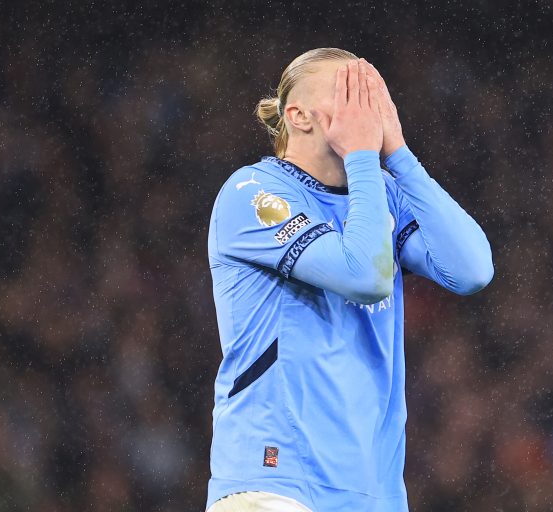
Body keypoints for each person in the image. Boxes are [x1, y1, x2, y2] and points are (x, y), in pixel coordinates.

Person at [206, 47, 494, 512]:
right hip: (277, 480)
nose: (365, 110)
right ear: (298, 116)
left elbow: (472, 270)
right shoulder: (253, 192)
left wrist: (400, 157)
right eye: (348, 94)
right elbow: (366, 277)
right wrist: (363, 156)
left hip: (373, 493)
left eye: (372, 95)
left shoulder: (380, 194)